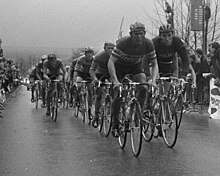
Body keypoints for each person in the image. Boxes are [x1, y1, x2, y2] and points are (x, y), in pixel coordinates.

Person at [108, 22, 158, 137]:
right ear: (131, 34)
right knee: (118, 93)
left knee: (144, 87)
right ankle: (115, 121)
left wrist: (154, 81)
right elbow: (111, 62)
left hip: (135, 67)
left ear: (144, 33)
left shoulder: (148, 43)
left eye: (141, 34)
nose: (139, 37)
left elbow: (155, 64)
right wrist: (115, 81)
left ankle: (137, 114)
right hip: (119, 67)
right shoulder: (123, 43)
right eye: (136, 34)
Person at [89, 41, 115, 128]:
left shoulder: (116, 55)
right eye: (109, 48)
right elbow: (92, 70)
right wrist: (95, 79)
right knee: (99, 95)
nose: (111, 50)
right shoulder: (99, 56)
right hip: (100, 74)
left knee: (114, 92)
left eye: (113, 48)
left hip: (112, 73)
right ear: (104, 48)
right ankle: (96, 116)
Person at [73, 47, 94, 118]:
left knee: (90, 91)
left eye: (90, 53)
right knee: (78, 85)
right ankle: (77, 100)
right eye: (88, 53)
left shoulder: (94, 60)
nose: (89, 55)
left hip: (89, 75)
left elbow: (96, 70)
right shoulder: (80, 59)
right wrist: (74, 80)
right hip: (81, 73)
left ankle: (90, 108)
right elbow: (76, 70)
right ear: (85, 54)